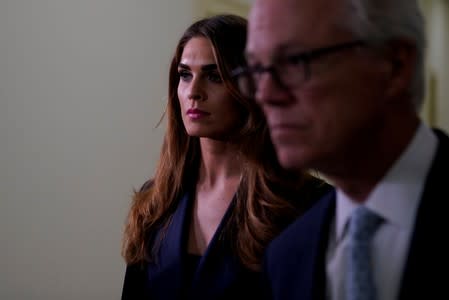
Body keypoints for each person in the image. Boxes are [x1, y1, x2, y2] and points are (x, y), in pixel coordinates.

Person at [234, 0, 449, 299]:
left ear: (394, 65)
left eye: (295, 61)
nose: (266, 95)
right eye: (257, 70)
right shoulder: (287, 257)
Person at [120, 14, 330, 300]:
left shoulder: (309, 205)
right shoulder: (156, 203)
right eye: (184, 75)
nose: (194, 92)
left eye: (215, 76)